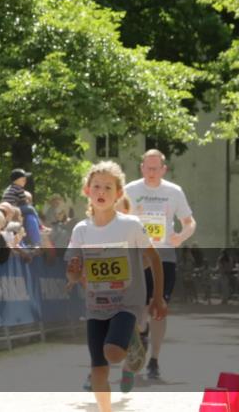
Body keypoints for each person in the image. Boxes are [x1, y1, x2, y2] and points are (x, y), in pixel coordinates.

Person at [66, 161, 166, 412]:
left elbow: (154, 258)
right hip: (96, 306)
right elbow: (73, 271)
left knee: (112, 353)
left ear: (118, 194)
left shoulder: (130, 225)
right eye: (96, 186)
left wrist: (157, 297)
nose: (101, 191)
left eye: (108, 187)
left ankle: (133, 341)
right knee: (98, 370)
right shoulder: (81, 230)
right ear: (87, 191)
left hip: (126, 304)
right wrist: (74, 274)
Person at [124, 149, 196, 380]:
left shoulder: (174, 192)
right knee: (138, 305)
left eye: (156, 168)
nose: (152, 172)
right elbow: (117, 217)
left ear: (164, 169)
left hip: (164, 256)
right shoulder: (130, 190)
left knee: (159, 308)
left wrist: (181, 236)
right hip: (137, 256)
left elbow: (190, 222)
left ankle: (154, 360)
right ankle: (141, 334)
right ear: (141, 168)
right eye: (148, 167)